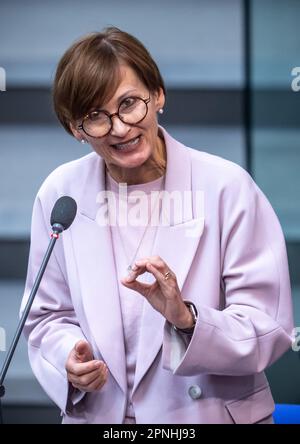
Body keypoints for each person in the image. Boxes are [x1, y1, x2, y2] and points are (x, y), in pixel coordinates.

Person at [21, 27, 294, 424]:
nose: (119, 128)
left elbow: (269, 325)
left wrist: (187, 319)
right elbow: (45, 317)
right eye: (96, 117)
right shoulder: (61, 194)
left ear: (158, 94)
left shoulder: (226, 187)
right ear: (76, 130)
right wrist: (68, 355)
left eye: (129, 104)